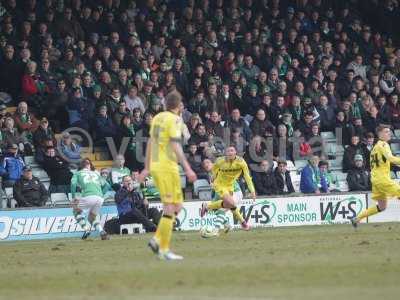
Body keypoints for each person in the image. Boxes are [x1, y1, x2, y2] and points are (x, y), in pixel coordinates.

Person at [139, 91, 197, 261]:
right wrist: (187, 168)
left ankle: (157, 239)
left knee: (177, 206)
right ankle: (163, 249)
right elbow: (175, 144)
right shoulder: (175, 120)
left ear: (165, 104)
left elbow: (150, 142)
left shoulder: (157, 118)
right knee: (170, 207)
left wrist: (147, 167)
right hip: (167, 167)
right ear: (179, 106)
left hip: (158, 166)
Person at [351, 125, 400, 227]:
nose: (389, 133)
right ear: (380, 134)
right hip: (382, 179)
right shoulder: (383, 145)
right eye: (386, 131)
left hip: (375, 180)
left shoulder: (374, 147)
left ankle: (357, 218)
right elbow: (391, 158)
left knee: (382, 206)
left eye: (389, 131)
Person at [200, 145, 255, 230]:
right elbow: (214, 170)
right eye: (228, 151)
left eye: (232, 151)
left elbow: (247, 176)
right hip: (220, 185)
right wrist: (213, 178)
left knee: (229, 204)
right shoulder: (220, 161)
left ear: (235, 152)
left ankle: (207, 207)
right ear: (225, 153)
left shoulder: (241, 162)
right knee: (229, 204)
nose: (230, 153)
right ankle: (216, 228)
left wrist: (252, 190)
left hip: (231, 186)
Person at [70, 158, 109, 240]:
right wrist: (101, 194)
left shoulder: (78, 173)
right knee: (92, 217)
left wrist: (73, 197)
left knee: (76, 211)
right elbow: (107, 185)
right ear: (89, 165)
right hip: (99, 198)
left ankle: (86, 229)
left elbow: (73, 183)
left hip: (88, 196)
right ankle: (101, 231)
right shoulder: (96, 173)